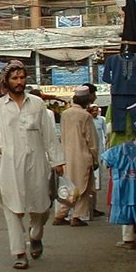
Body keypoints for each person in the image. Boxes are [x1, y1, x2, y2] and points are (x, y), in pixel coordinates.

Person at [0, 60, 65, 269]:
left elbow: (49, 135)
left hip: (37, 164)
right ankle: (19, 252)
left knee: (41, 208)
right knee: (12, 208)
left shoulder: (37, 104)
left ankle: (36, 236)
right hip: (9, 165)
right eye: (14, 78)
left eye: (22, 77)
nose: (19, 82)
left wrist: (57, 161)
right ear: (6, 81)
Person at [52, 86, 99, 227]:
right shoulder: (85, 116)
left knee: (69, 187)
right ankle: (77, 216)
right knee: (83, 188)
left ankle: (60, 214)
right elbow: (91, 140)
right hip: (82, 155)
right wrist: (95, 157)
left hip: (66, 155)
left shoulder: (65, 114)